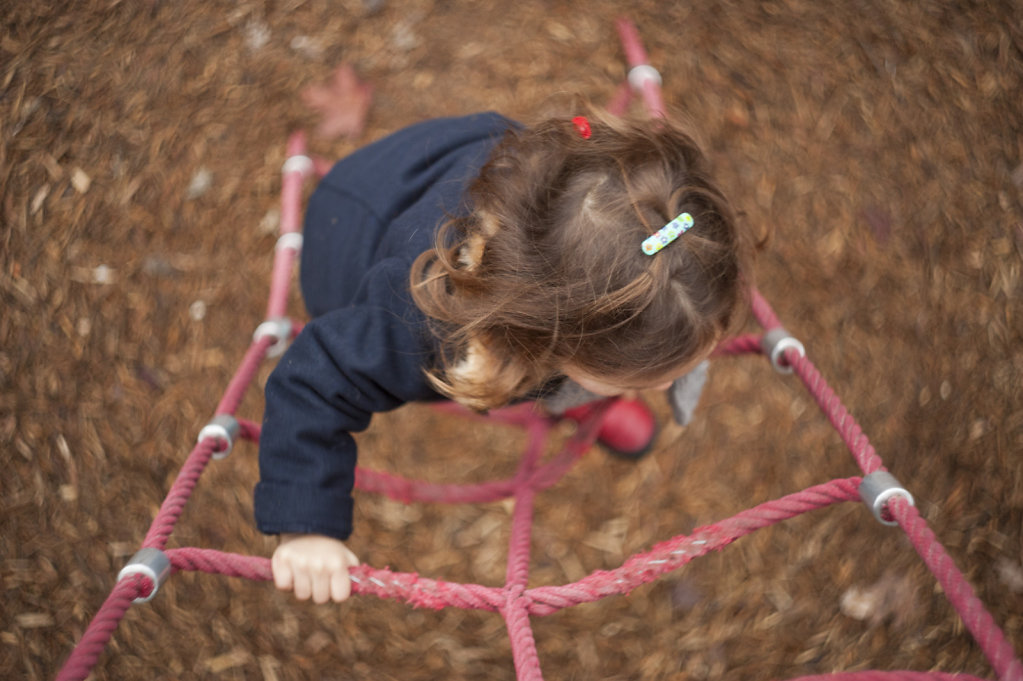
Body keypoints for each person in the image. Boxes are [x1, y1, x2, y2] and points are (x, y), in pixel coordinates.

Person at [255, 79, 753, 605]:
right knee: (587, 324)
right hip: (350, 233)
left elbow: (660, 278)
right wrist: (305, 524)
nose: (673, 380)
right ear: (541, 338)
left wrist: (650, 350)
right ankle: (583, 391)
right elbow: (315, 381)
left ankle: (592, 390)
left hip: (449, 172)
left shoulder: (589, 199)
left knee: (619, 303)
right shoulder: (419, 316)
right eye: (650, 376)